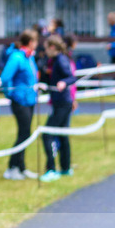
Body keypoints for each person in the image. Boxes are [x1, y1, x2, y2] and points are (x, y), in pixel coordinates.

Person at [0, 29, 40, 181]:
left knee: (26, 133)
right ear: (30, 42)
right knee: (23, 133)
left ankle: (21, 167)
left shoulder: (29, 58)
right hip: (20, 101)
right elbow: (5, 77)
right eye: (35, 41)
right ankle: (12, 167)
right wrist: (10, 94)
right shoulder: (17, 57)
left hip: (30, 100)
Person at [39, 34, 77, 182]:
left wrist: (63, 83)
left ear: (52, 47)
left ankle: (51, 169)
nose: (45, 50)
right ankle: (66, 168)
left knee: (47, 135)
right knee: (62, 134)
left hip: (63, 103)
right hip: (59, 102)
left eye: (46, 47)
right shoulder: (53, 60)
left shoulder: (61, 60)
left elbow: (71, 77)